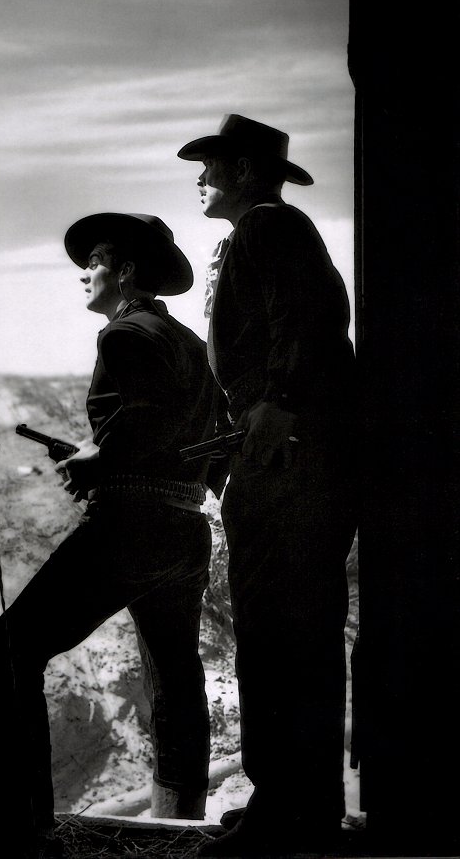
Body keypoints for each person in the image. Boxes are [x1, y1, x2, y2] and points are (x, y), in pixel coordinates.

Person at [0, 212, 217, 859]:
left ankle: (21, 827)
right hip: (184, 529)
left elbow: (143, 422)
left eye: (95, 263)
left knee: (5, 656)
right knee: (175, 674)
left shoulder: (121, 337)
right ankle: (179, 827)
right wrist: (104, 451)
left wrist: (96, 459)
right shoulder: (189, 343)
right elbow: (192, 436)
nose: (82, 274)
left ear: (127, 272)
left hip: (129, 531)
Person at [177, 115, 358, 857]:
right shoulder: (267, 231)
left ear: (244, 170)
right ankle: (296, 803)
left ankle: (285, 811)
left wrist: (275, 402)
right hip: (293, 454)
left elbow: (313, 319)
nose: (199, 178)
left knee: (277, 631)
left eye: (210, 165)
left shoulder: (268, 227)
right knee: (297, 631)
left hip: (285, 459)